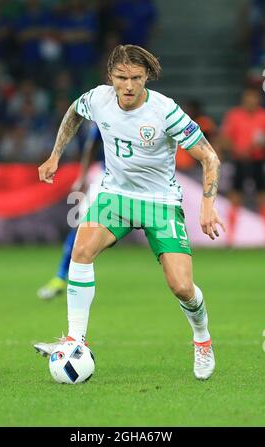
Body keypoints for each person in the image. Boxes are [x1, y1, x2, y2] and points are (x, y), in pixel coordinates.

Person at [34, 45, 225, 380]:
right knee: (81, 251)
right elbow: (74, 113)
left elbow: (209, 157)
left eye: (136, 77)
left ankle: (202, 339)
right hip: (116, 196)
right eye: (121, 77)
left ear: (146, 76)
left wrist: (208, 205)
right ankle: (74, 339)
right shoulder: (99, 98)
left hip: (160, 202)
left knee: (182, 287)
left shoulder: (165, 111)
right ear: (111, 76)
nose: (129, 85)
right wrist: (55, 155)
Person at [37, 122, 103, 299]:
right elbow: (92, 145)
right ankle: (60, 277)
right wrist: (82, 177)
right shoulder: (106, 110)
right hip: (107, 179)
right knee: (81, 226)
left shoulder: (149, 112)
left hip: (141, 184)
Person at [220, 86, 265, 244]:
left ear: (259, 100)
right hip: (239, 161)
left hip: (258, 161)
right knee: (235, 197)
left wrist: (263, 144)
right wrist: (237, 149)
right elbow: (225, 138)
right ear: (243, 99)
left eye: (253, 97)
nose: (250, 100)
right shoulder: (234, 115)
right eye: (248, 97)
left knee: (263, 197)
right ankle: (230, 239)